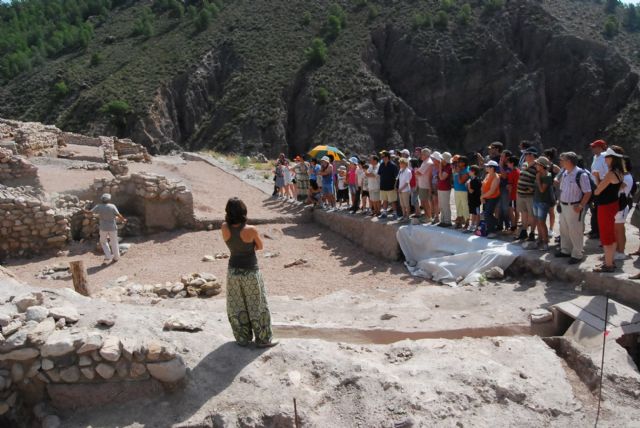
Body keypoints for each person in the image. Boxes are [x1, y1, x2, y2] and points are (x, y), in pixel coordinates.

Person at [222, 198, 276, 348]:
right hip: (250, 271)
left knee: (237, 305)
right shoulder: (251, 230)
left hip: (233, 271)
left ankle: (242, 338)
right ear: (243, 211)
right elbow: (259, 247)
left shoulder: (224, 227)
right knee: (257, 305)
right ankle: (263, 339)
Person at [555, 152, 592, 264]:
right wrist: (559, 202)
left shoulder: (581, 174)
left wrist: (581, 205)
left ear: (569, 161)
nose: (561, 162)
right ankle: (566, 250)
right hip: (564, 205)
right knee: (564, 229)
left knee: (575, 231)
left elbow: (588, 192)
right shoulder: (565, 173)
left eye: (563, 160)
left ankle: (577, 254)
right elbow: (562, 189)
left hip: (574, 206)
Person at [593, 148, 625, 273]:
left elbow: (597, 190)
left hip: (606, 207)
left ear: (612, 158)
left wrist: (596, 178)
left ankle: (608, 264)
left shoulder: (611, 173)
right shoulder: (620, 172)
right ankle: (610, 261)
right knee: (610, 234)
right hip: (613, 204)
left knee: (606, 235)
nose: (605, 159)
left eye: (607, 157)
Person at [86, 194, 127, 264]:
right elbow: (118, 215)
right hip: (112, 227)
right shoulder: (112, 206)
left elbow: (90, 213)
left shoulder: (98, 206)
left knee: (103, 242)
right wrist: (123, 220)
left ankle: (108, 256)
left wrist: (84, 211)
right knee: (114, 242)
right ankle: (116, 257)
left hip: (103, 228)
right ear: (109, 200)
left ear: (102, 199)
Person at [515, 148, 538, 242]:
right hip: (520, 194)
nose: (524, 156)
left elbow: (540, 177)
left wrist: (533, 188)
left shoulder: (537, 165)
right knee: (523, 213)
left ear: (532, 155)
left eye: (526, 154)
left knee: (532, 215)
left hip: (530, 195)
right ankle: (524, 231)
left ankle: (532, 233)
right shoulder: (524, 164)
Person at [614, 151, 633, 260]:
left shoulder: (626, 178)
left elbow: (615, 188)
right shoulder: (623, 176)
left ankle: (621, 252)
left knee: (619, 230)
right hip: (618, 206)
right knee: (617, 230)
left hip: (620, 206)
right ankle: (617, 250)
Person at [533, 156, 554, 251]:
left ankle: (545, 242)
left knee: (542, 222)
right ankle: (540, 239)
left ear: (542, 166)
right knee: (537, 221)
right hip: (536, 200)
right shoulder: (539, 174)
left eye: (537, 164)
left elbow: (542, 190)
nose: (536, 165)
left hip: (543, 202)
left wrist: (537, 179)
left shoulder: (548, 175)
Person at [589, 139, 609, 239]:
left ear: (601, 148)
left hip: (601, 185)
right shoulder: (595, 157)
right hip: (594, 185)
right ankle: (595, 230)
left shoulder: (605, 157)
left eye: (594, 147)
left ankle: (599, 231)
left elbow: (606, 173)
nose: (592, 149)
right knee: (594, 209)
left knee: (599, 209)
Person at [481, 161, 501, 237]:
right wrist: (482, 196)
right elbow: (483, 186)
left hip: (493, 198)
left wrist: (482, 196)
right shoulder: (487, 175)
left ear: (492, 168)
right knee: (486, 214)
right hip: (486, 197)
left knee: (487, 214)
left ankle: (492, 231)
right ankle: (494, 225)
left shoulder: (496, 177)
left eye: (488, 166)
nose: (486, 167)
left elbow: (492, 191)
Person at [378, 151, 399, 220]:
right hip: (383, 186)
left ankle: (395, 213)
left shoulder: (393, 166)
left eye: (383, 157)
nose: (382, 158)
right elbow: (379, 174)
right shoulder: (381, 165)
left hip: (391, 187)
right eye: (382, 157)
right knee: (384, 200)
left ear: (387, 157)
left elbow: (397, 177)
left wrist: (395, 186)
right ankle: (384, 213)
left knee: (392, 201)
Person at [415, 148, 433, 220]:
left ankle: (428, 217)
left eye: (422, 154)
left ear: (425, 155)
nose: (420, 155)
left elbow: (418, 172)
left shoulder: (428, 162)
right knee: (423, 201)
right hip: (423, 184)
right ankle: (427, 216)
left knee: (425, 202)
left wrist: (416, 171)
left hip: (425, 185)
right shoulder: (425, 161)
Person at [452, 156, 470, 229]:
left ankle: (467, 222)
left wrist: (459, 172)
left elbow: (461, 181)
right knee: (458, 206)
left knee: (465, 207)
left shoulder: (467, 170)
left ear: (464, 163)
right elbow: (454, 179)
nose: (458, 163)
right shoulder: (457, 168)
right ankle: (459, 221)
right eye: (458, 161)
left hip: (463, 191)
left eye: (460, 162)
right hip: (456, 190)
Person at [437, 152, 453, 227]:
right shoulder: (444, 166)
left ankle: (447, 221)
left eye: (442, 159)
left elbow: (442, 177)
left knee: (445, 205)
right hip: (440, 188)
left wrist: (440, 168)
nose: (440, 160)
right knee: (441, 205)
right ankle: (442, 220)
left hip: (445, 188)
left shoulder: (448, 167)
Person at [466, 165, 482, 233]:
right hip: (472, 200)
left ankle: (477, 226)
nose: (468, 171)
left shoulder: (475, 181)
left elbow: (471, 191)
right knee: (473, 213)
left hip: (476, 200)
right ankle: (472, 225)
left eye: (470, 170)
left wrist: (468, 185)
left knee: (477, 213)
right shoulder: (472, 179)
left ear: (473, 171)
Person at [506, 156, 520, 233]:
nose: (507, 164)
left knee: (510, 211)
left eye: (508, 162)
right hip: (518, 195)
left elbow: (510, 186)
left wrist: (509, 195)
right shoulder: (518, 171)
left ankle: (513, 227)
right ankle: (515, 226)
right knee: (516, 211)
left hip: (513, 195)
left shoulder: (512, 173)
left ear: (512, 163)